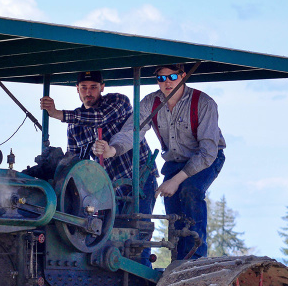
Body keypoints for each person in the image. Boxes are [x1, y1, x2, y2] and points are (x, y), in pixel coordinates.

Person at [94, 64, 226, 260]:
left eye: (172, 77)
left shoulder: (204, 103)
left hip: (206, 159)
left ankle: (197, 258)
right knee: (172, 205)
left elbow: (207, 152)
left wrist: (175, 181)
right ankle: (179, 258)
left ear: (183, 76)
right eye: (161, 78)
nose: (167, 83)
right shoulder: (150, 102)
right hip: (175, 161)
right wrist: (111, 150)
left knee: (190, 191)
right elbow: (133, 131)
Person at [40, 70, 158, 216]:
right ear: (77, 88)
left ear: (102, 87)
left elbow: (99, 118)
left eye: (93, 87)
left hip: (139, 178)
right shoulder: (74, 126)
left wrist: (57, 113)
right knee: (106, 234)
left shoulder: (119, 101)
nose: (88, 92)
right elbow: (75, 163)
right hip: (108, 188)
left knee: (139, 230)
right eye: (84, 87)